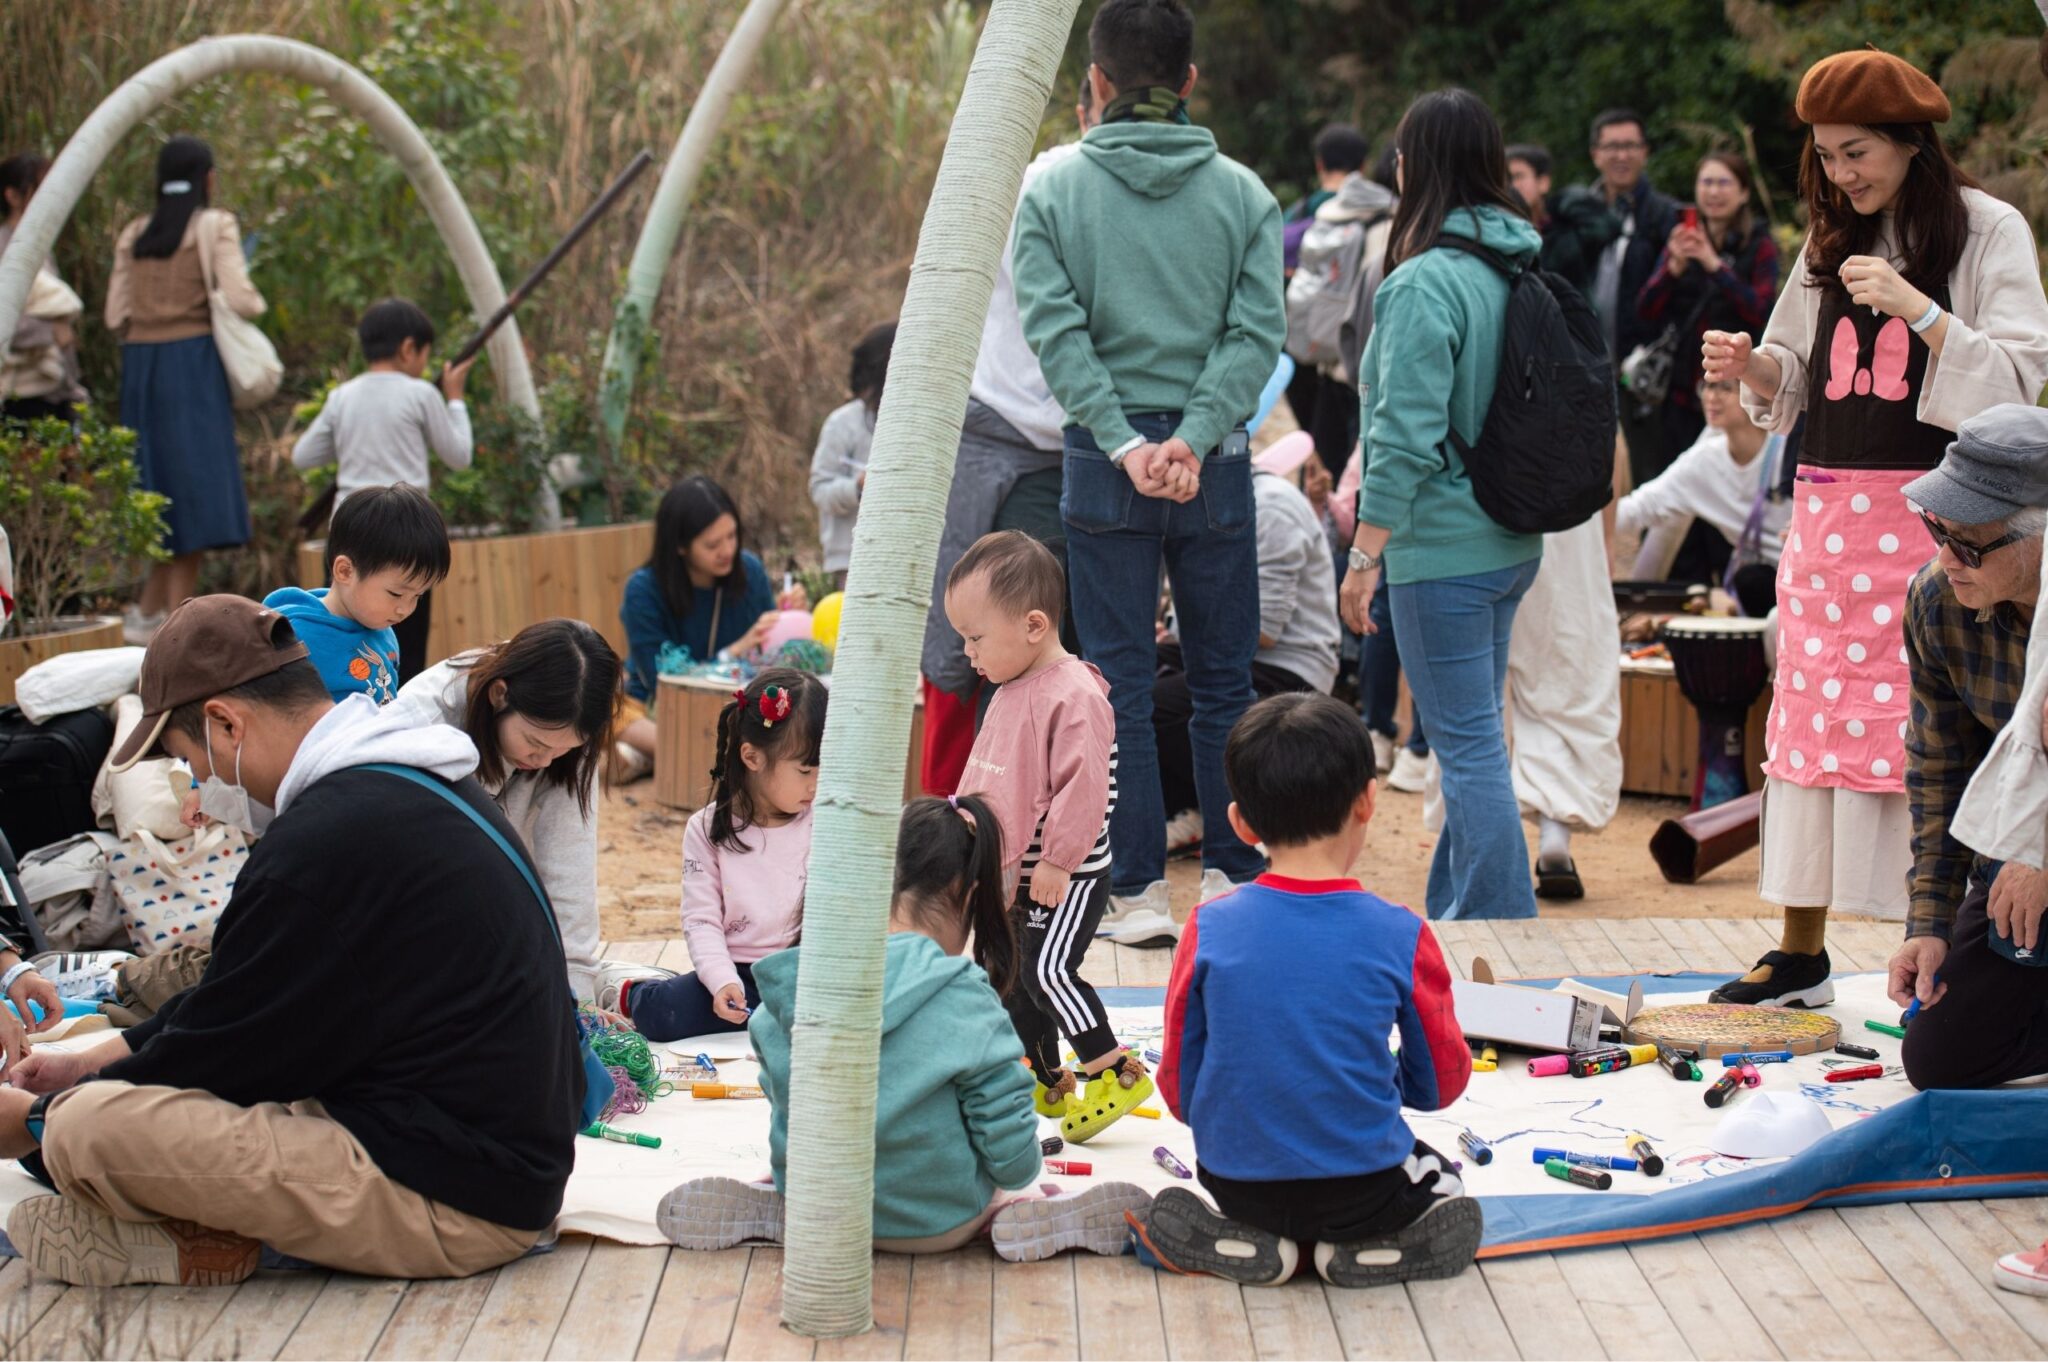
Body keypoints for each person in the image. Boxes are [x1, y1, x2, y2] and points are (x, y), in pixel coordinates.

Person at [0, 594, 579, 1286]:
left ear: (224, 724)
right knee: (103, 1095)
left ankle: (209, 1244)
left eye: (190, 760)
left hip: (455, 1200)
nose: (200, 783)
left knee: (88, 1131)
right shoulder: (405, 783)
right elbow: (242, 1002)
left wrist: (35, 1122)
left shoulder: (324, 843)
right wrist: (104, 1056)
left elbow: (223, 1058)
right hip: (479, 1151)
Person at [1702, 47, 2048, 1007]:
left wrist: (1923, 312)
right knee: (1812, 722)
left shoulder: (1987, 228)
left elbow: (2024, 377)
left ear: (1908, 140)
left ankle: (1951, 937)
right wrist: (1752, 367)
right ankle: (1800, 943)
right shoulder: (1828, 238)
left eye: (1857, 153)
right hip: (1826, 512)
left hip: (1949, 519)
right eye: (1826, 156)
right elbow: (1794, 371)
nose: (1842, 174)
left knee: (1929, 728)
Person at [1013, 0, 1285, 921]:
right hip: (1214, 463)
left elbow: (1056, 333)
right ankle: (1231, 874)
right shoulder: (1246, 196)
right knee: (1223, 683)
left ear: (1094, 84)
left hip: (1103, 458)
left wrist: (1128, 443)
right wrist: (1194, 436)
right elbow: (1256, 337)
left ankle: (1132, 893)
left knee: (1119, 686)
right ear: (1190, 83)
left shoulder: (1051, 192)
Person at [654, 795, 1152, 1260]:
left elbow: (785, 1101)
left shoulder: (800, 978)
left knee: (811, 1167)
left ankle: (780, 1200)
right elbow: (1013, 1157)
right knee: (1021, 1186)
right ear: (968, 895)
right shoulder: (965, 995)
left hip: (826, 1213)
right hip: (939, 1224)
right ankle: (1027, 1211)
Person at [1131, 693, 1476, 1287]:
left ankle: (1259, 1239)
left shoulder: (1207, 926)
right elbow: (1440, 1082)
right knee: (1443, 1180)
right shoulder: (1400, 932)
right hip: (1364, 1189)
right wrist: (1391, 1083)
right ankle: (1363, 1246)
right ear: (1369, 801)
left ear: (1240, 823)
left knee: (1249, 1190)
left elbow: (1180, 1083)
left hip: (1236, 1181)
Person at [1336, 87, 1545, 922]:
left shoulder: (1423, 284)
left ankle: (1501, 921)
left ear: (1413, 168)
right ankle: (1462, 910)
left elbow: (1403, 435)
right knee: (1476, 738)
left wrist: (1363, 555)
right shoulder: (1517, 263)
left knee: (1465, 747)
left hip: (1442, 550)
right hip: (1510, 541)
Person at [920, 82, 1103, 798]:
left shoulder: (1042, 182)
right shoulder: (1031, 185)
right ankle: (957, 819)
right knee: (971, 631)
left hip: (1078, 436)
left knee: (1027, 637)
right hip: (1022, 426)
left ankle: (1016, 815)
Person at [945, 532, 1155, 1140]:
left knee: (1050, 971)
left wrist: (1060, 860)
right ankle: (1047, 1076)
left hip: (1068, 873)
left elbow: (1087, 788)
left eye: (976, 637)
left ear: (1034, 624)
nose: (967, 651)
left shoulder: (1076, 694)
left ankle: (1115, 1071)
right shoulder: (1010, 689)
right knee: (1007, 969)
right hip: (1019, 872)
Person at [1880, 408, 2043, 1097]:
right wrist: (1931, 925)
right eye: (1937, 531)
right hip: (2019, 856)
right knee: (1942, 1057)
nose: (1948, 562)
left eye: (1971, 546)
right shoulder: (1938, 601)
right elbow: (1941, 773)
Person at [387, 618, 621, 1003]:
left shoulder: (567, 728)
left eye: (563, 749)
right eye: (535, 742)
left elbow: (568, 864)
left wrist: (575, 993)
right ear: (500, 694)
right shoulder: (424, 721)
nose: (545, 759)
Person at [596, 669, 824, 1040]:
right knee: (661, 1015)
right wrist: (720, 982)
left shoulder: (826, 820)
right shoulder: (706, 829)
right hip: (741, 975)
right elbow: (702, 920)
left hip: (806, 973)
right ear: (752, 757)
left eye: (823, 767)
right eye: (804, 769)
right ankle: (633, 987)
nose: (816, 783)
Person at [1153, 435, 1340, 884]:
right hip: (1236, 650)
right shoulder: (1214, 502)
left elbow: (1263, 631)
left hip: (1293, 670)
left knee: (1156, 706)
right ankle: (1191, 806)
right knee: (1125, 680)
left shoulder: (1271, 506)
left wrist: (1176, 623)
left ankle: (1211, 810)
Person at [106, 136, 267, 648]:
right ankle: (176, 627)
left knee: (157, 493)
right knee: (194, 493)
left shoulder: (134, 233)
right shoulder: (213, 224)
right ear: (209, 179)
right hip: (192, 367)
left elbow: (114, 315)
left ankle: (148, 617)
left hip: (142, 370)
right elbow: (242, 297)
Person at [291, 298, 477, 683]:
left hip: (350, 529)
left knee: (341, 628)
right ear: (409, 348)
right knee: (403, 640)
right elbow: (459, 455)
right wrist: (455, 398)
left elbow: (303, 455)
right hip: (406, 532)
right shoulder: (421, 394)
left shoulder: (342, 397)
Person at [615, 476, 783, 779]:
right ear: (680, 546)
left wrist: (786, 620)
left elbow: (775, 658)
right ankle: (690, 753)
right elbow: (662, 685)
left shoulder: (749, 571)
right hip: (662, 707)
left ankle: (661, 755)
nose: (727, 550)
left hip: (740, 706)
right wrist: (732, 652)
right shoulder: (643, 590)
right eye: (712, 544)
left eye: (732, 536)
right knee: (610, 715)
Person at [1635, 152, 1780, 467]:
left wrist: (1714, 265)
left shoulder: (1758, 244)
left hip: (1735, 392)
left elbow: (1761, 310)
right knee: (1677, 474)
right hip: (1681, 390)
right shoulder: (1683, 239)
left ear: (1743, 192)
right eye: (1707, 182)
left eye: (1724, 183)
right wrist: (1672, 269)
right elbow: (1645, 310)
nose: (1714, 192)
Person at [263, 484, 450, 706]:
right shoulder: (293, 637)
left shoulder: (384, 633)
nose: (405, 609)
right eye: (396, 593)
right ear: (345, 571)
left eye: (418, 596)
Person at [1617, 379, 1790, 616]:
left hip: (1803, 582)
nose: (1711, 396)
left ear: (1756, 395)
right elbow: (1639, 508)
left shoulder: (1789, 454)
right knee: (1750, 583)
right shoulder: (1704, 461)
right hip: (1756, 589)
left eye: (1725, 388)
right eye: (1707, 386)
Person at [1585, 108, 1681, 486]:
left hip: (1644, 369)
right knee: (1589, 472)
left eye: (1630, 146)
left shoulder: (1665, 216)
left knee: (1649, 472)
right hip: (1587, 361)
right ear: (1595, 154)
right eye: (1612, 147)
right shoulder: (1579, 212)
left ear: (1644, 152)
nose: (1621, 156)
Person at [1332, 448, 1430, 790]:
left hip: (1386, 496)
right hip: (1427, 498)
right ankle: (1418, 747)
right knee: (1413, 614)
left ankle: (1380, 733)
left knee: (1387, 612)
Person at [1284, 123, 1379, 474]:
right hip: (1354, 355)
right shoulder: (1377, 213)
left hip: (1304, 348)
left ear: (1319, 164)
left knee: (1316, 449)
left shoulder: (1300, 214)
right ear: (1363, 166)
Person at [0, 153, 87, 425]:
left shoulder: (38, 246)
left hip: (52, 389)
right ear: (13, 196)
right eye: (40, 190)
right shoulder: (6, 247)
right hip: (20, 393)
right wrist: (52, 330)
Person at [809, 321, 896, 591]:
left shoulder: (914, 423)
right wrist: (857, 487)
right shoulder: (843, 423)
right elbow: (820, 489)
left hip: (898, 557)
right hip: (850, 560)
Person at [1507, 143, 1617, 305]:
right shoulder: (1503, 237)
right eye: (1506, 179)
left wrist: (1566, 201)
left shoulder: (1566, 230)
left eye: (1518, 177)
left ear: (1543, 182)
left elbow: (1608, 227)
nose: (1512, 186)